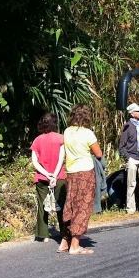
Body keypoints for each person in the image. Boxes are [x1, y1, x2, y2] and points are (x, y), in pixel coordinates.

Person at [59, 104, 103, 255]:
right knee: (83, 206)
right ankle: (75, 245)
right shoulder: (88, 133)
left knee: (70, 205)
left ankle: (64, 242)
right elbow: (98, 153)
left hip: (70, 172)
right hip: (85, 172)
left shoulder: (67, 131)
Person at [30, 113, 67, 242]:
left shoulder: (37, 140)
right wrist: (54, 175)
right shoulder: (61, 138)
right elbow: (61, 158)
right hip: (59, 176)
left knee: (42, 206)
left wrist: (46, 174)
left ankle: (43, 235)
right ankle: (64, 232)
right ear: (55, 124)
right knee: (61, 204)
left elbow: (34, 162)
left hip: (41, 178)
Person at [118, 103, 139, 214]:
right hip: (132, 158)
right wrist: (128, 158)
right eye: (137, 111)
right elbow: (121, 146)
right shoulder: (127, 126)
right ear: (132, 113)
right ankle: (130, 208)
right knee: (131, 183)